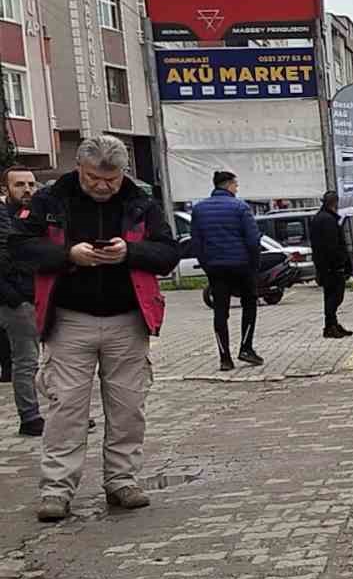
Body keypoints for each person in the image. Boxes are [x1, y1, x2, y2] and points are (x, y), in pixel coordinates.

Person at [13, 135, 179, 522]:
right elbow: (21, 249)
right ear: (79, 169)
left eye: (111, 178)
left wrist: (130, 252)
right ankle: (57, 489)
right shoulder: (50, 201)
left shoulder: (141, 202)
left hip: (127, 318)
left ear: (123, 173)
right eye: (93, 178)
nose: (102, 186)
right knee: (65, 408)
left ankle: (122, 480)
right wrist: (67, 255)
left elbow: (169, 253)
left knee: (127, 407)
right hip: (69, 318)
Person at [191, 170, 263, 371]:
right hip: (242, 266)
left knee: (220, 311)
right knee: (249, 303)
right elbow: (252, 240)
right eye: (236, 185)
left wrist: (206, 264)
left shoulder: (199, 209)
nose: (237, 188)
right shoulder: (241, 207)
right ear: (230, 185)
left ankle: (224, 357)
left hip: (215, 267)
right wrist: (254, 266)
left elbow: (196, 242)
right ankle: (246, 348)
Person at [0, 166, 42, 435]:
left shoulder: (32, 215)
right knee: (26, 360)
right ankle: (30, 418)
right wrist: (14, 297)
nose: (27, 190)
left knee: (47, 359)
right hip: (15, 299)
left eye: (31, 184)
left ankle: (64, 413)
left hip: (34, 295)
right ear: (5, 189)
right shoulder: (4, 218)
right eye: (19, 185)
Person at [310, 190, 353, 338]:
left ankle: (333, 324)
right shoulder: (327, 220)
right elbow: (332, 245)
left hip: (324, 265)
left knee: (330, 296)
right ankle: (330, 326)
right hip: (332, 267)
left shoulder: (319, 218)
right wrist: (341, 262)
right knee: (335, 297)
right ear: (334, 203)